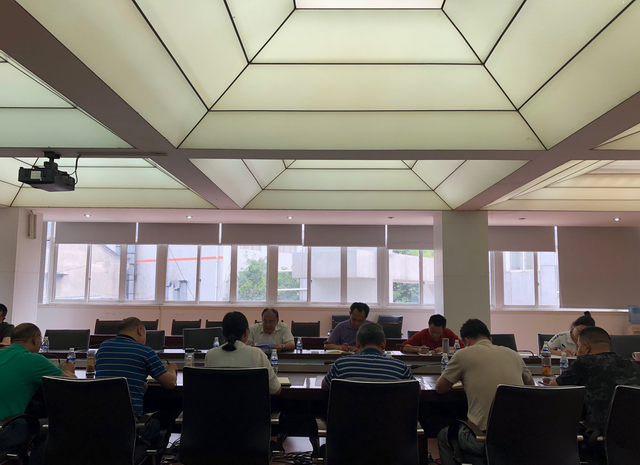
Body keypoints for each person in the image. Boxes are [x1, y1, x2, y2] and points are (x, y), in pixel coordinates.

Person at [436, 319, 533, 465]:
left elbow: (440, 388)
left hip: (482, 439)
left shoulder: (463, 354)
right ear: (490, 339)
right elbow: (530, 387)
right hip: (519, 437)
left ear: (467, 341)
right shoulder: (514, 354)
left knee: (443, 436)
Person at [0, 323, 76, 464]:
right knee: (55, 425)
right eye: (40, 340)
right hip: (4, 432)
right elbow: (70, 383)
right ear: (35, 338)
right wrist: (68, 369)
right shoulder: (34, 360)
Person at [96, 317, 178, 446]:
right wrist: (172, 369)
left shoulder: (103, 347)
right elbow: (170, 383)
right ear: (140, 330)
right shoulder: (145, 351)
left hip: (101, 422)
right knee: (167, 417)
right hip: (130, 426)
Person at [551, 327, 640, 432]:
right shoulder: (631, 364)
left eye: (578, 347)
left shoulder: (584, 362)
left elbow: (554, 385)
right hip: (634, 431)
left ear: (586, 347)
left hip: (600, 432)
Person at [205, 311, 281, 395]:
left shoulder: (210, 355)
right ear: (246, 333)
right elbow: (275, 389)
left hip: (218, 403)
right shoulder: (257, 354)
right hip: (250, 403)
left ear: (223, 333)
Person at [322, 322, 413, 390]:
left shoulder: (341, 364)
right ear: (383, 344)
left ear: (357, 344)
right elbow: (416, 390)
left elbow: (324, 387)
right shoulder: (400, 367)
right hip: (388, 411)